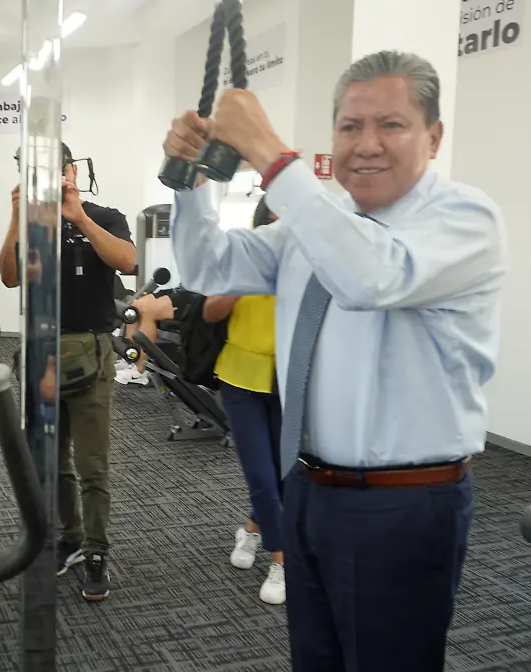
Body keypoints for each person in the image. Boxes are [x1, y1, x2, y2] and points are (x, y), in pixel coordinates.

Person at [164, 50, 506, 671]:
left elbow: (370, 277)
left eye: (390, 125)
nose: (366, 144)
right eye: (350, 127)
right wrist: (190, 180)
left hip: (404, 504)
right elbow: (208, 267)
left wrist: (270, 154)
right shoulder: (317, 223)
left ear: (433, 135)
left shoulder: (463, 218)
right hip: (311, 492)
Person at [0, 142, 136, 602]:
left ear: (70, 171)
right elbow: (10, 276)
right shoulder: (32, 223)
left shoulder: (102, 215)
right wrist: (19, 217)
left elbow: (128, 261)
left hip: (92, 353)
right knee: (53, 461)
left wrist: (79, 216)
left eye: (51, 170)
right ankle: (70, 537)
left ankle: (97, 549)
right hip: (43, 354)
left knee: (93, 464)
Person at [201, 199, 285, 605]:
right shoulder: (241, 254)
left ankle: (252, 529)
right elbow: (210, 310)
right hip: (240, 377)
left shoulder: (310, 261)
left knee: (282, 475)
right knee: (263, 476)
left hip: (290, 381)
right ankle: (282, 561)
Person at [113, 286, 196, 386]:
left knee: (148, 311)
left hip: (201, 295)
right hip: (185, 290)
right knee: (134, 306)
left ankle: (140, 370)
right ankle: (132, 360)